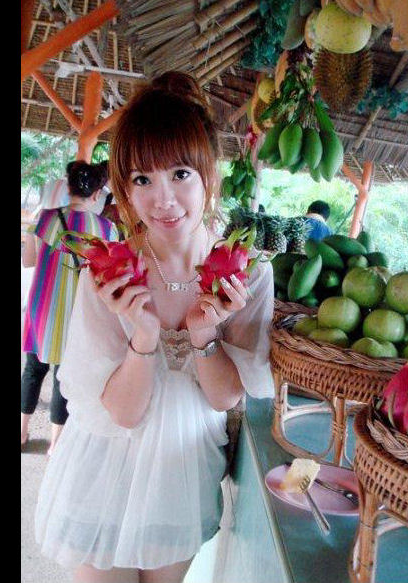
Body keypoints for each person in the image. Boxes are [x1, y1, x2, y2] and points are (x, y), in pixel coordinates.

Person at [34, 71, 275, 583]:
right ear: (124, 187)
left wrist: (204, 335)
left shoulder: (247, 273)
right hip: (102, 469)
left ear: (209, 173)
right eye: (142, 179)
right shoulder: (110, 271)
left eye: (180, 174)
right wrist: (143, 336)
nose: (163, 200)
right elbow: (122, 413)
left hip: (182, 474)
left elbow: (224, 398)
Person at [21, 160, 119, 455]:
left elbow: (28, 261)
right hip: (78, 313)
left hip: (42, 308)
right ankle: (56, 443)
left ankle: (22, 431)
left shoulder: (46, 219)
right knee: (64, 375)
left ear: (68, 187)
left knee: (33, 370)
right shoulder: (107, 229)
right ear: (97, 193)